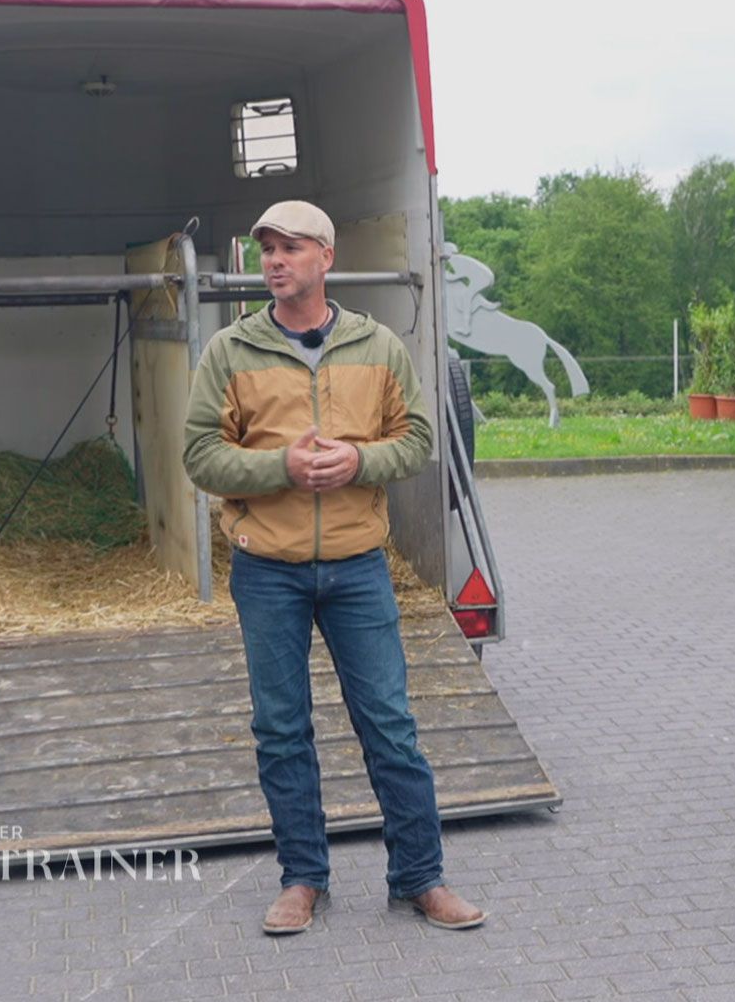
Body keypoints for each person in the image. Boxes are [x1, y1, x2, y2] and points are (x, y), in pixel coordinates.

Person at [183, 200, 485, 935]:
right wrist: (277, 467)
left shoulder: (378, 345)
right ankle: (303, 880)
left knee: (389, 724)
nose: (275, 261)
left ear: (326, 257)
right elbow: (198, 455)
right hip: (268, 569)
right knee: (281, 728)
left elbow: (416, 440)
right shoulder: (230, 350)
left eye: (290, 248)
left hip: (357, 567)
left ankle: (419, 878)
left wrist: (359, 459)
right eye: (267, 250)